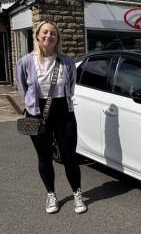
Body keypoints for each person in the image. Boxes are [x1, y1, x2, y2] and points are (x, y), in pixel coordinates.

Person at [16, 21, 87, 214]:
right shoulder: (25, 62)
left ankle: (77, 193)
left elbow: (71, 86)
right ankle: (51, 195)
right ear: (38, 36)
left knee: (70, 157)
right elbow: (22, 88)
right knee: (44, 157)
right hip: (37, 114)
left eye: (53, 33)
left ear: (57, 38)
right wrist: (31, 105)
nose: (49, 36)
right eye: (45, 32)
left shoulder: (67, 61)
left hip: (64, 112)